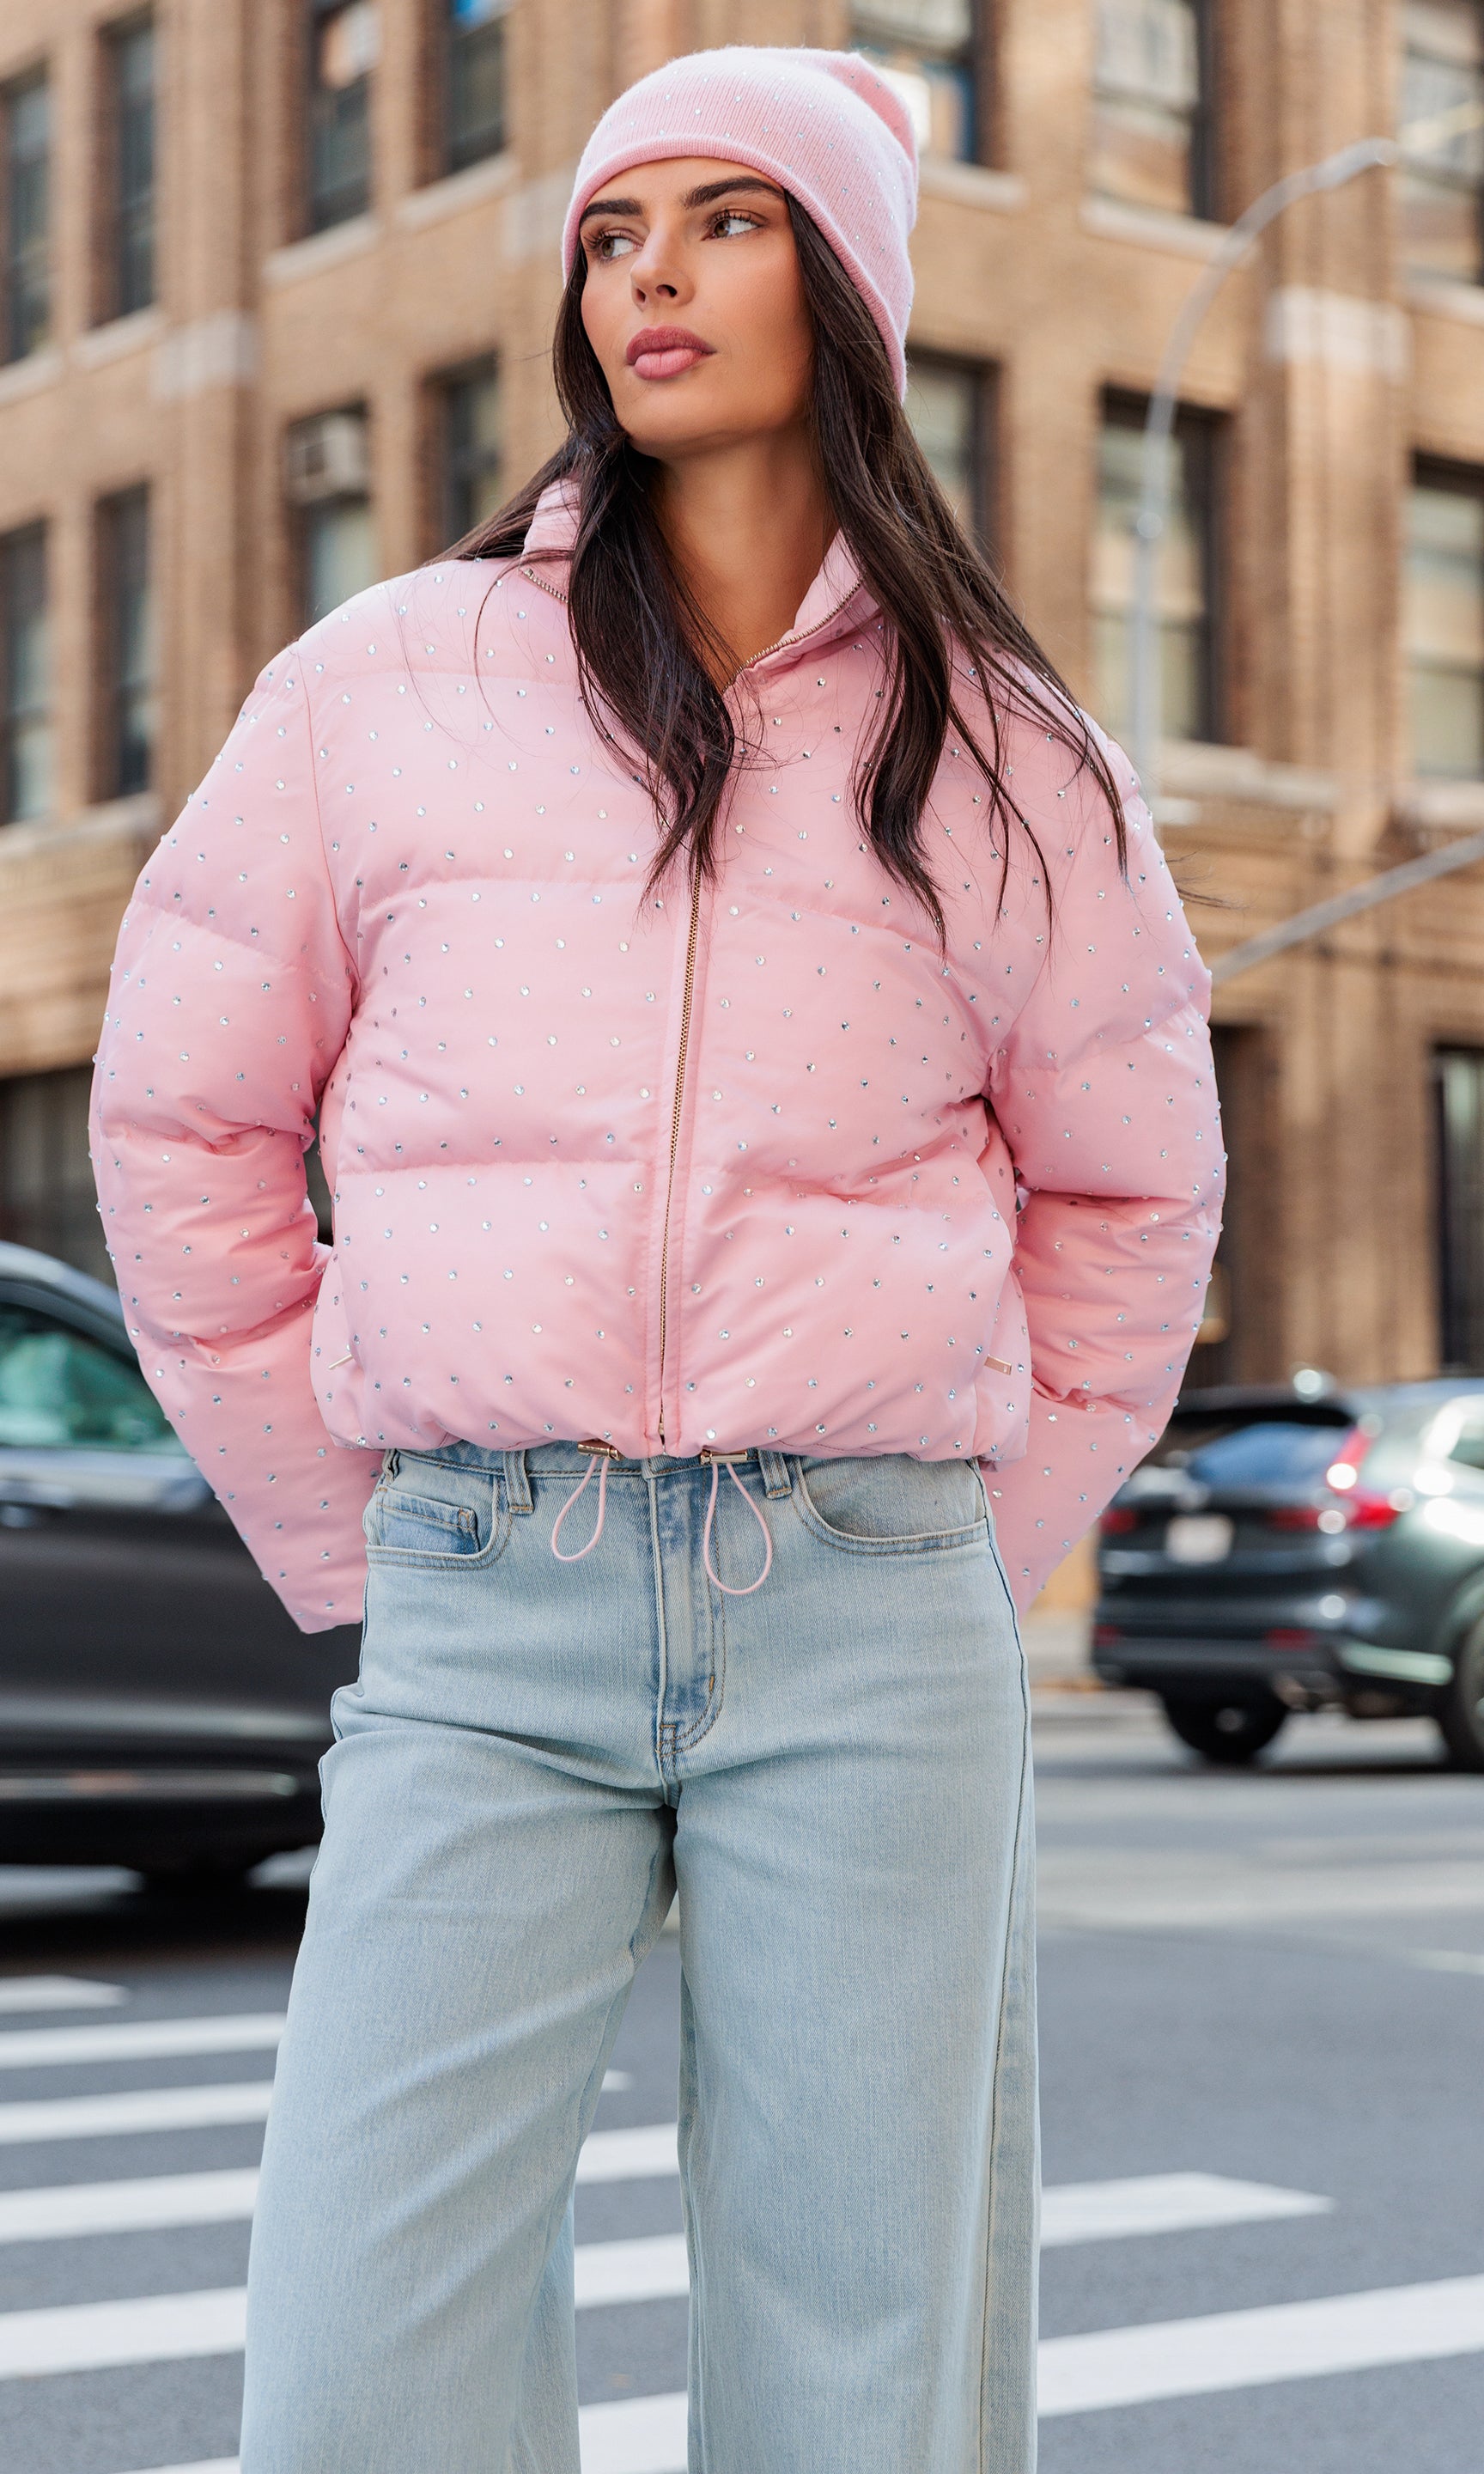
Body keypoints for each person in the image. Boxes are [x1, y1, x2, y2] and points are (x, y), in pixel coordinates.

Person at [91, 45, 1220, 2474]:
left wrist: (958, 1545)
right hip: (488, 1590)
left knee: (862, 2352)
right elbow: (183, 1122)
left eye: (724, 221)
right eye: (617, 233)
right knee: (362, 2364)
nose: (655, 279)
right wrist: (349, 1506)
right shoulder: (386, 687)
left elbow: (1136, 1194)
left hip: (870, 1608)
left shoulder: (1013, 752)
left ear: (845, 287)